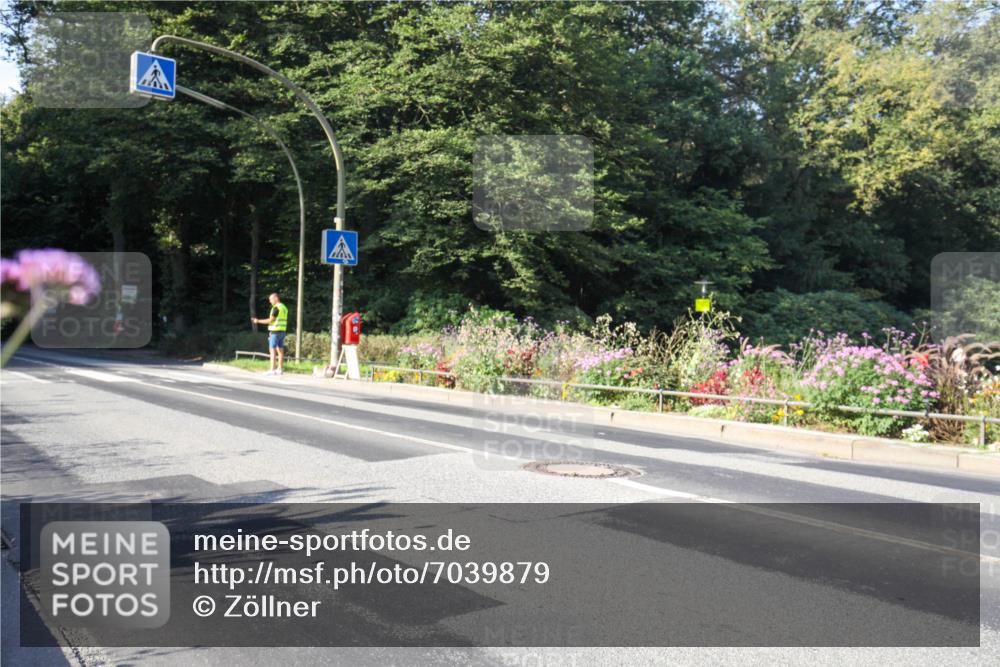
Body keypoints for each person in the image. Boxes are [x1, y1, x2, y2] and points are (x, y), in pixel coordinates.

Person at [251, 293, 289, 376]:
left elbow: (270, 320)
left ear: (276, 298)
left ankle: (272, 369)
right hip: (282, 331)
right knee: (280, 351)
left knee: (272, 350)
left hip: (275, 332)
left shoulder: (276, 308)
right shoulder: (284, 307)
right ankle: (280, 369)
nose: (270, 301)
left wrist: (258, 321)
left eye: (271, 299)